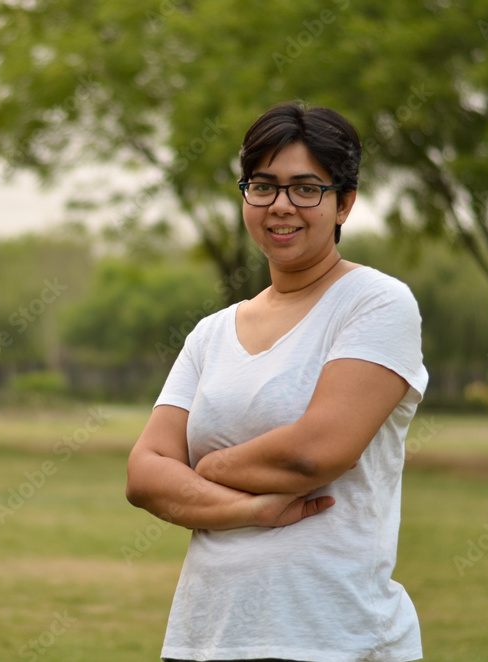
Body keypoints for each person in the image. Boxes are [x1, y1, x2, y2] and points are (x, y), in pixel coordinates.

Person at [125, 102, 427, 662]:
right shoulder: (211, 333)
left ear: (345, 202)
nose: (281, 205)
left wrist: (205, 470)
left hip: (332, 637)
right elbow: (144, 475)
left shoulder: (375, 304)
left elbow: (315, 453)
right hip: (203, 638)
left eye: (306, 188)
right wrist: (254, 510)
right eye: (262, 186)